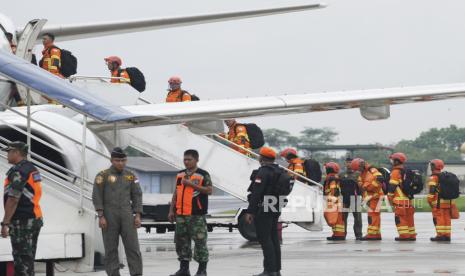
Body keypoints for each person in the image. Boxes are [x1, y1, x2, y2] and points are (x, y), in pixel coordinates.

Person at [92, 147, 143, 276]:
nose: (121, 163)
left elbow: (137, 195)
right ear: (112, 160)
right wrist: (101, 216)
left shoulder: (130, 176)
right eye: (117, 160)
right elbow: (97, 196)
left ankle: (136, 273)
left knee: (133, 248)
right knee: (110, 249)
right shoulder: (102, 176)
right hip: (109, 216)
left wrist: (137, 215)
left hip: (127, 215)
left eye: (123, 160)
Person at [1, 141, 43, 276]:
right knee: (28, 259)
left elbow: (13, 199)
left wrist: (5, 223)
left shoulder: (18, 171)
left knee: (22, 263)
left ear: (17, 153)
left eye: (9, 151)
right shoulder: (31, 168)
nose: (7, 154)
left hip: (23, 222)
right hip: (34, 218)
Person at [168, 149, 212, 276]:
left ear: (196, 160)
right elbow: (176, 193)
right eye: (185, 159)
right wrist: (171, 210)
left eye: (189, 159)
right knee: (181, 242)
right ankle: (184, 269)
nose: (186, 162)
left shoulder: (203, 174)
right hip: (181, 214)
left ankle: (202, 270)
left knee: (200, 242)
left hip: (196, 215)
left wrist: (191, 185)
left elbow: (209, 190)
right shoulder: (180, 174)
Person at [245, 147, 281, 276]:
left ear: (262, 158)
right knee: (274, 239)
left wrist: (250, 211)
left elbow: (257, 192)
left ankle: (269, 270)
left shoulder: (263, 172)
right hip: (275, 205)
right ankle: (276, 270)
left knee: (265, 239)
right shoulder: (279, 170)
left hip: (264, 206)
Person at [351, 158, 384, 241]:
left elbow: (380, 179)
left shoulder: (372, 170)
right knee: (375, 215)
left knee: (372, 215)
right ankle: (376, 233)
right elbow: (361, 183)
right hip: (371, 197)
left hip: (375, 196)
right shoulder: (363, 173)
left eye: (358, 169)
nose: (357, 171)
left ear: (361, 166)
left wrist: (369, 187)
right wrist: (362, 185)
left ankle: (372, 234)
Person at [387, 152, 416, 241]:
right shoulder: (406, 171)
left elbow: (392, 186)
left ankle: (404, 236)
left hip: (399, 200)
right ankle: (411, 235)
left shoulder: (395, 172)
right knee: (409, 219)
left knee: (400, 218)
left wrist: (390, 197)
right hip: (407, 199)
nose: (392, 162)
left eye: (393, 160)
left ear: (397, 161)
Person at [427, 159, 453, 242]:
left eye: (431, 165)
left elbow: (432, 190)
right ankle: (447, 235)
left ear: (435, 166)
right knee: (447, 219)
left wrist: (429, 200)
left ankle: (440, 235)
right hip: (447, 202)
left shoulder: (434, 177)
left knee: (439, 219)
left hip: (438, 203)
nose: (430, 166)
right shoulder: (445, 176)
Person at [340, 157, 363, 240]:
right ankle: (342, 234)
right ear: (345, 163)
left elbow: (361, 186)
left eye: (350, 162)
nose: (349, 164)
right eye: (347, 162)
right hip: (344, 198)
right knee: (343, 218)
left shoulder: (358, 174)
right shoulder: (341, 175)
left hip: (355, 198)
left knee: (357, 218)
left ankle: (358, 234)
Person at [324, 162, 346, 241]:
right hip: (336, 200)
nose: (325, 170)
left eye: (326, 169)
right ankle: (337, 234)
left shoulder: (332, 178)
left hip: (334, 200)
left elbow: (333, 190)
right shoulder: (333, 177)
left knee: (336, 218)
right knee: (336, 218)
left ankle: (339, 235)